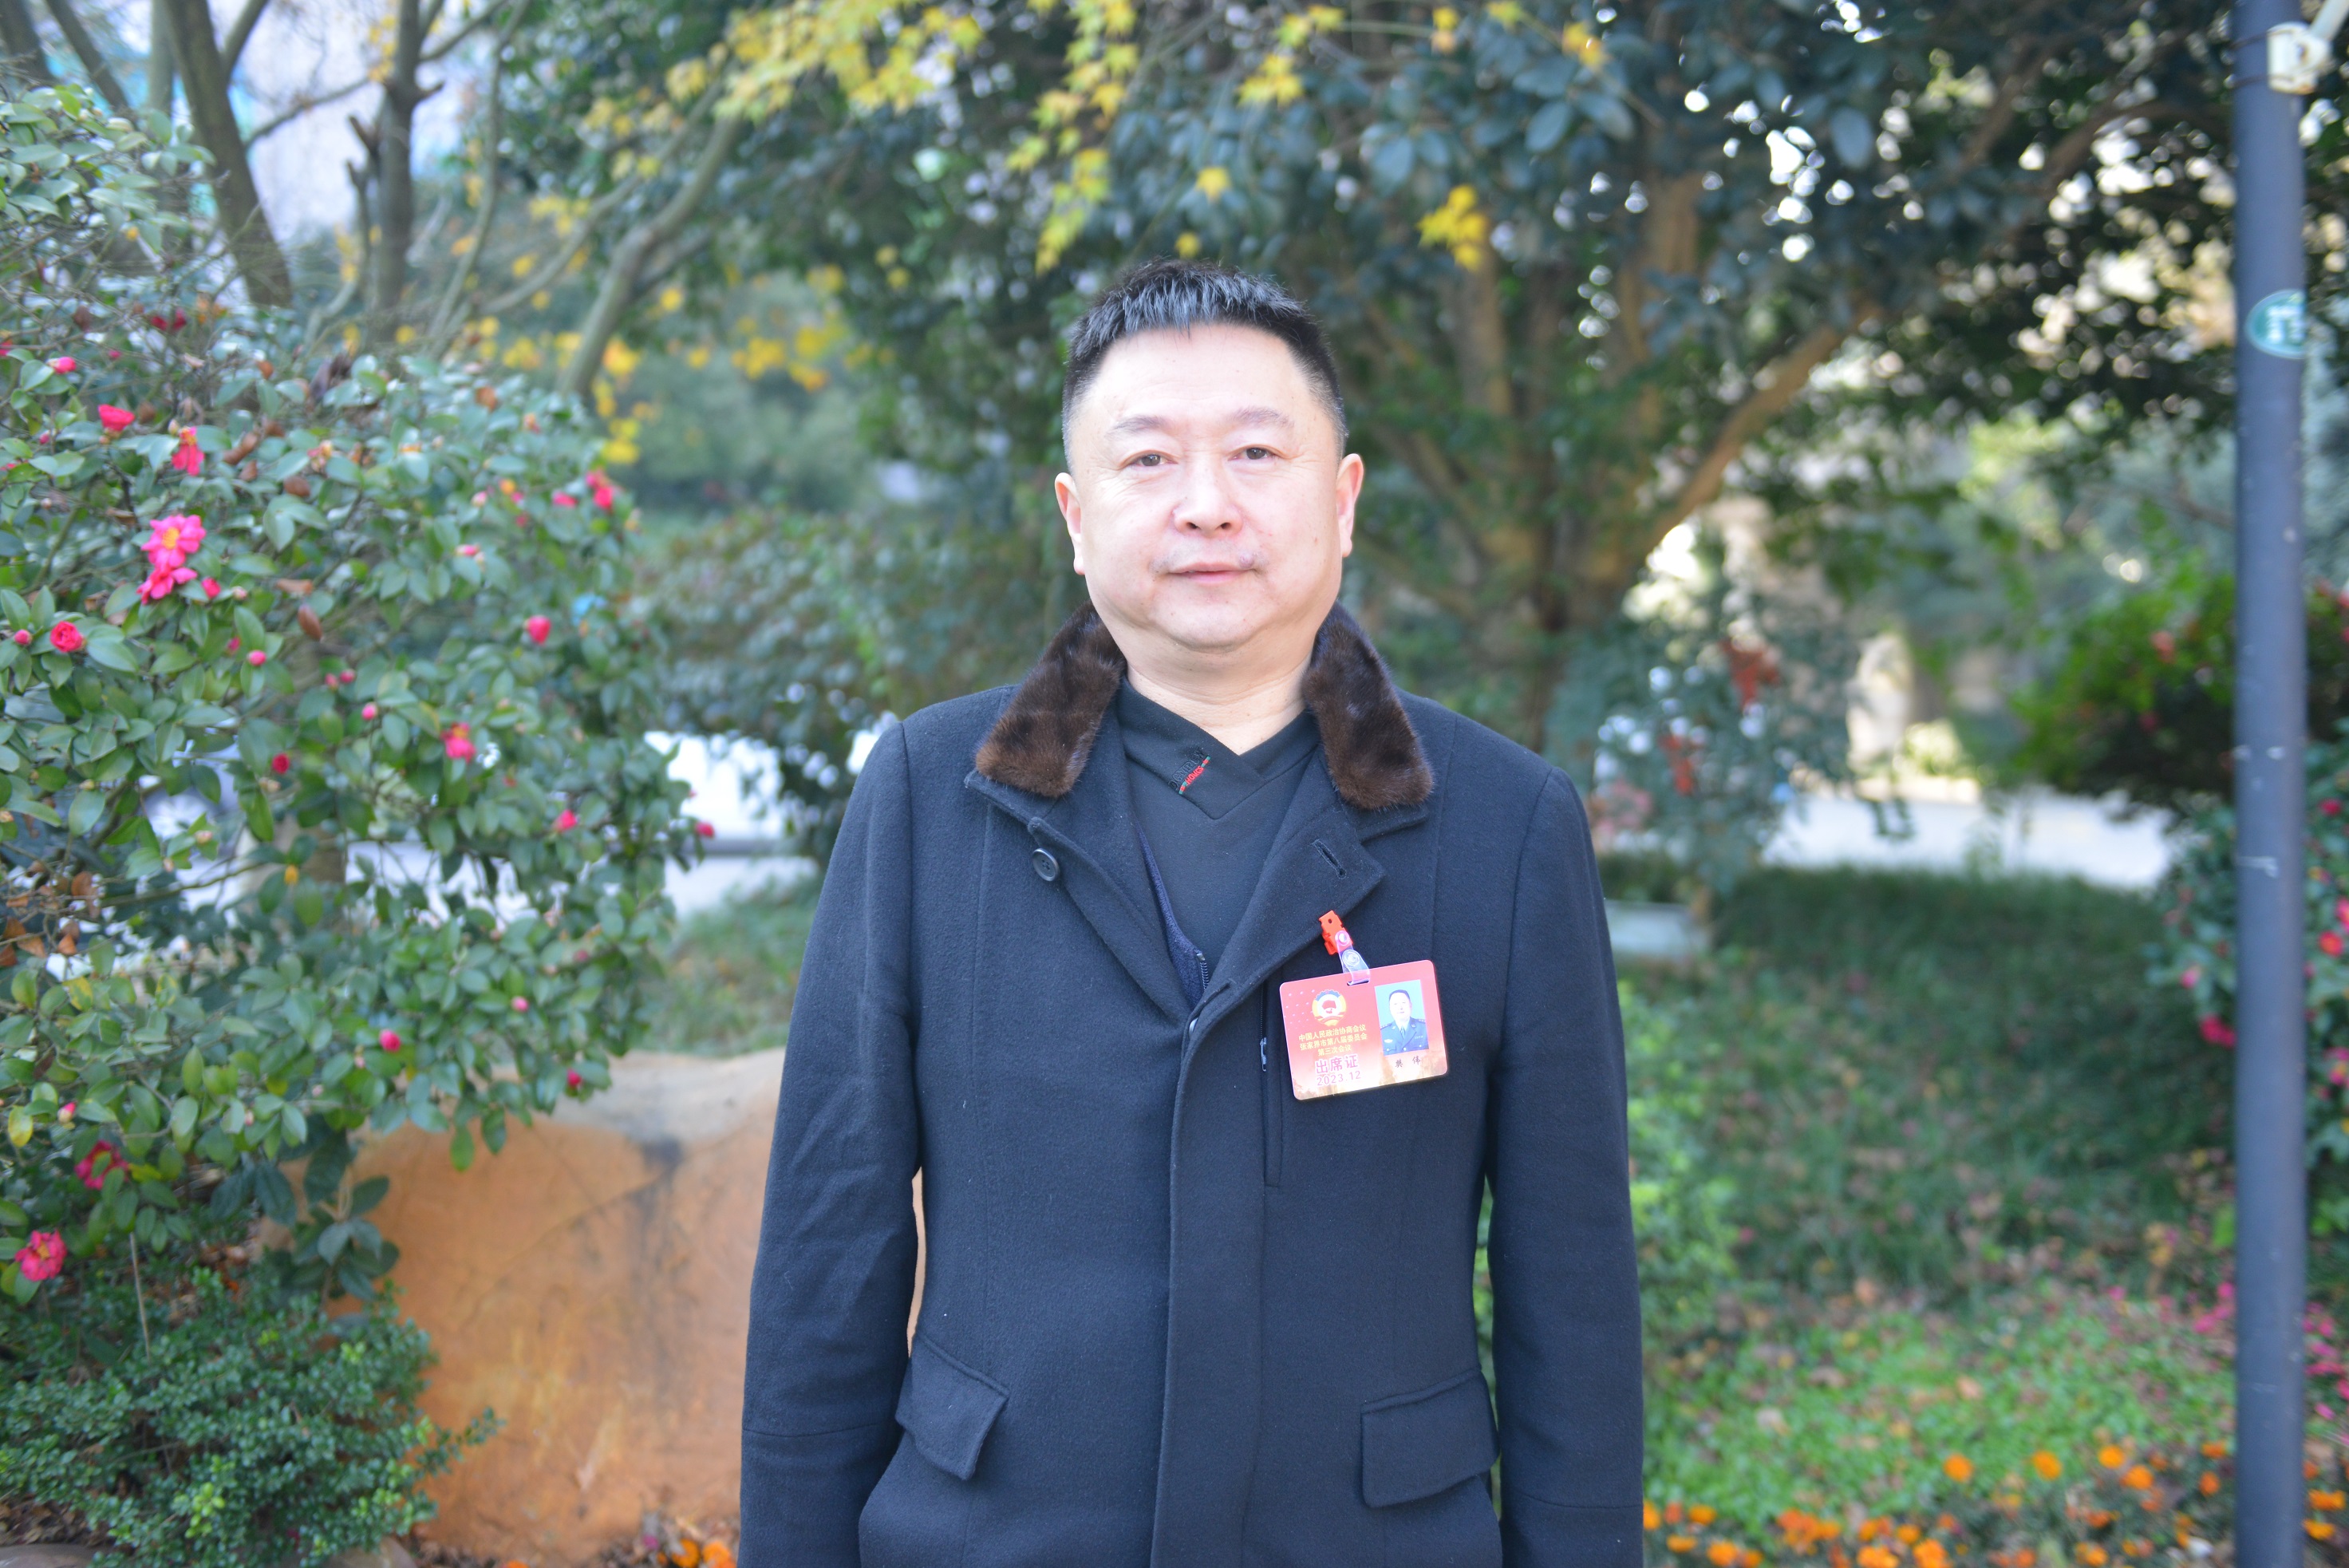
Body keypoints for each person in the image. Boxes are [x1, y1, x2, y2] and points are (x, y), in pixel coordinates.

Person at [740, 259, 1640, 1568]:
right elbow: (830, 1247)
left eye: (1256, 453)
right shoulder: (932, 796)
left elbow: (1574, 1293)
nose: (1205, 503)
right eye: (1148, 459)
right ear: (1075, 513)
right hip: (994, 1536)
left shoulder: (1503, 826)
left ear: (1342, 500)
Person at [1380, 983, 1429, 1056]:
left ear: (1410, 1005)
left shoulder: (1425, 1028)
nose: (1400, 1007)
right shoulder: (1383, 1033)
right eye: (1395, 1004)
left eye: (1403, 1003)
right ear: (1390, 1008)